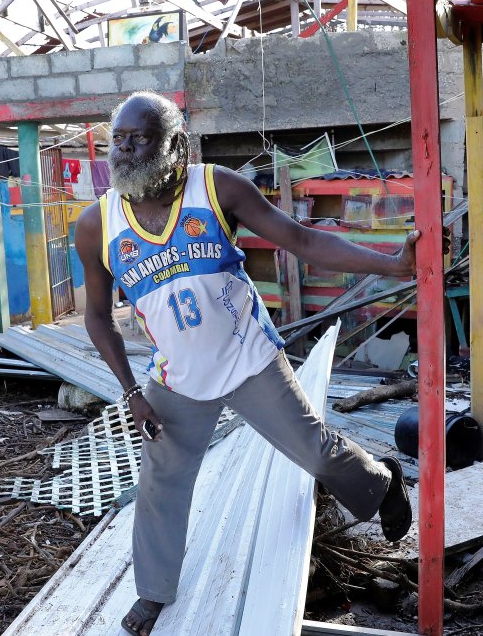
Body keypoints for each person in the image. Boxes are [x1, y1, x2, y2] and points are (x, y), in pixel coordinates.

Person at [75, 91, 428, 636]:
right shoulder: (96, 226)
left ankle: (383, 483)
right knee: (160, 486)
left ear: (173, 145)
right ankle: (153, 593)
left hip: (248, 357)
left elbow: (302, 239)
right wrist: (130, 391)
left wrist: (393, 265)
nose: (122, 149)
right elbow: (97, 318)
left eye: (137, 138)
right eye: (116, 139)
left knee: (315, 453)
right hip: (177, 378)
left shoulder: (216, 188)